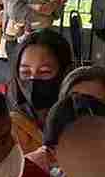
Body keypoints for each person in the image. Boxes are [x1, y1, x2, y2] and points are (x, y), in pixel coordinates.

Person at [7, 28, 75, 157]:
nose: (33, 80)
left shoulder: (79, 124)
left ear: (65, 73)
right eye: (25, 72)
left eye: (44, 72)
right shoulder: (8, 129)